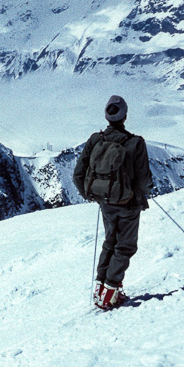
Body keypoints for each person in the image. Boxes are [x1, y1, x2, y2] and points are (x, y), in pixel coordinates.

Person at [73, 95, 153, 310]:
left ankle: (101, 289)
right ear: (125, 115)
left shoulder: (95, 140)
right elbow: (144, 180)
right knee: (125, 247)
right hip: (128, 204)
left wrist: (91, 194)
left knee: (110, 242)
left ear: (107, 116)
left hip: (105, 201)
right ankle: (110, 294)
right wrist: (142, 194)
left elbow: (78, 174)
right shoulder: (135, 143)